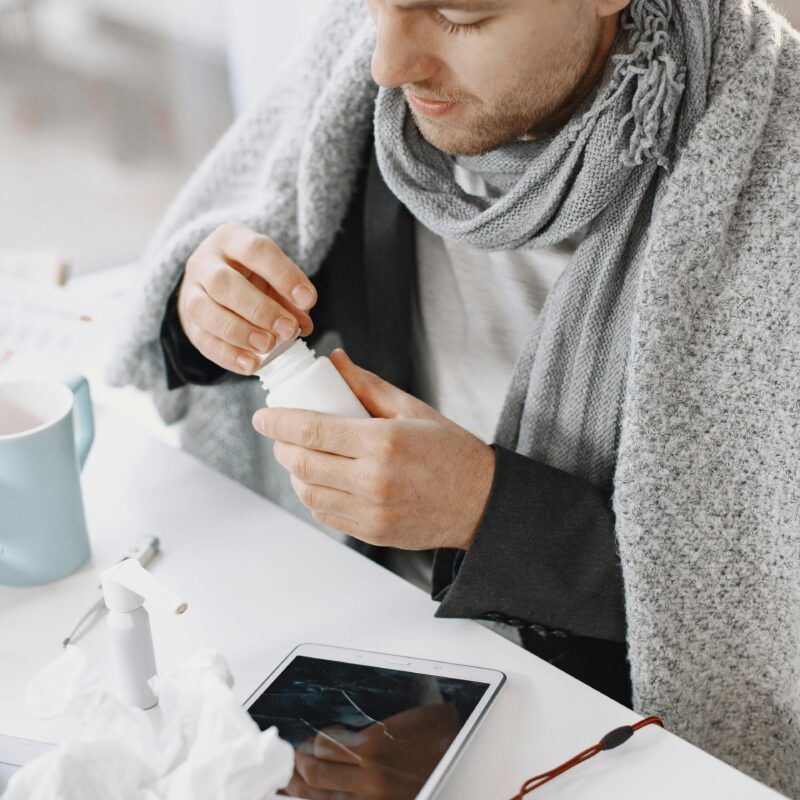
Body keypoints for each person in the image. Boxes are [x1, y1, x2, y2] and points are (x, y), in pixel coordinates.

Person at [110, 0, 800, 795]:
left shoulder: (767, 172)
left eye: (461, 15)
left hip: (604, 727)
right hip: (337, 623)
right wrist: (209, 306)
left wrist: (488, 512)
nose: (388, 65)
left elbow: (756, 608)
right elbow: (238, 246)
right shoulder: (366, 69)